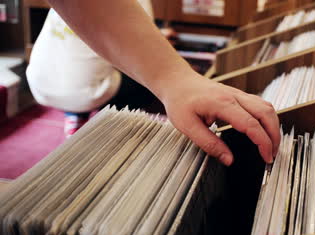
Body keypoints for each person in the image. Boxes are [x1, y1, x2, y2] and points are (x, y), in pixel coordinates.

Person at [41, 0, 280, 167]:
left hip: (41, 82)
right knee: (136, 82)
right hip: (93, 89)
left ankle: (75, 115)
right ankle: (124, 124)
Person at [27, 0, 155, 137]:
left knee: (80, 62)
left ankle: (76, 115)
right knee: (149, 78)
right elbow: (143, 48)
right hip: (83, 92)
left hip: (39, 84)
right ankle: (117, 124)